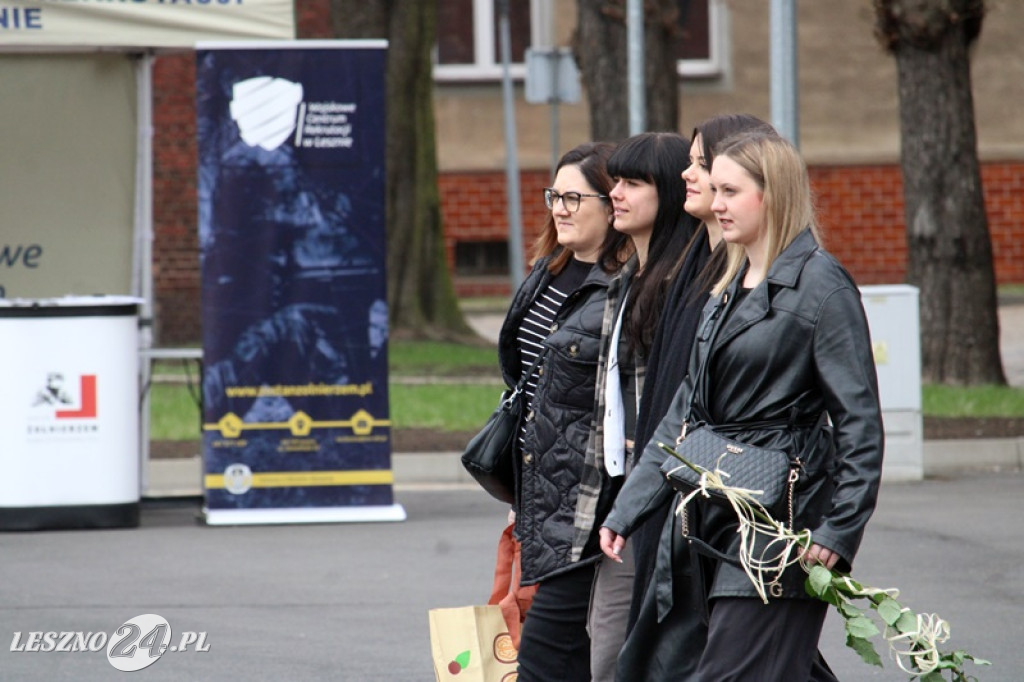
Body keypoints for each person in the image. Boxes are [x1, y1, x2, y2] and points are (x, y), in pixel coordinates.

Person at [600, 130, 885, 680]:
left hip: (781, 522)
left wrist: (838, 529)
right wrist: (629, 508)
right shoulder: (729, 280)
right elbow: (687, 411)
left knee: (732, 671)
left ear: (772, 195)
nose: (717, 203)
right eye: (716, 188)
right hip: (711, 510)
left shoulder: (822, 287)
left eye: (730, 191)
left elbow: (860, 425)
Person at [613, 114, 778, 681]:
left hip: (721, 506)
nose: (690, 173)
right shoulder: (695, 269)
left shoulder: (763, 282)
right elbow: (678, 402)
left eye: (702, 164)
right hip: (679, 492)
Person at [569, 132, 697, 682]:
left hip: (665, 501)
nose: (615, 193)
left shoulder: (683, 285)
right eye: (615, 181)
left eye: (632, 183)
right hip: (623, 499)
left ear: (666, 193)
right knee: (608, 651)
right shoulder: (627, 280)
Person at [499, 141, 627, 682]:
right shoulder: (546, 271)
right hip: (540, 491)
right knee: (559, 650)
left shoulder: (625, 287)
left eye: (575, 197)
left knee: (549, 653)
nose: (560, 208)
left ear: (612, 205)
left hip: (590, 501)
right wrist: (517, 494)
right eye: (556, 195)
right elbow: (527, 387)